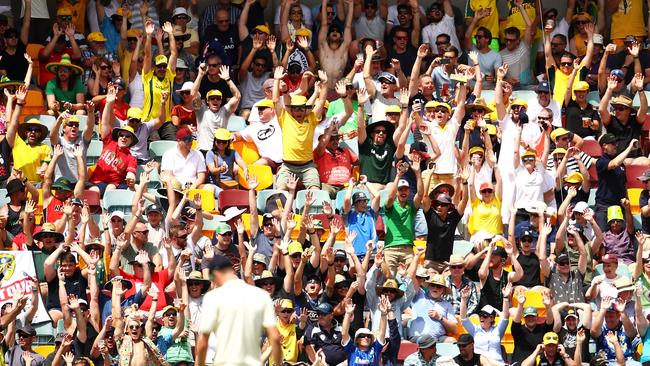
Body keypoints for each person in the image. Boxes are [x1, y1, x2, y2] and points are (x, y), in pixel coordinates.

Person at [196, 255, 281, 366]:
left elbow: (203, 342)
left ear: (216, 275)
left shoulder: (213, 297)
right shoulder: (261, 295)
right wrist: (279, 363)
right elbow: (274, 337)